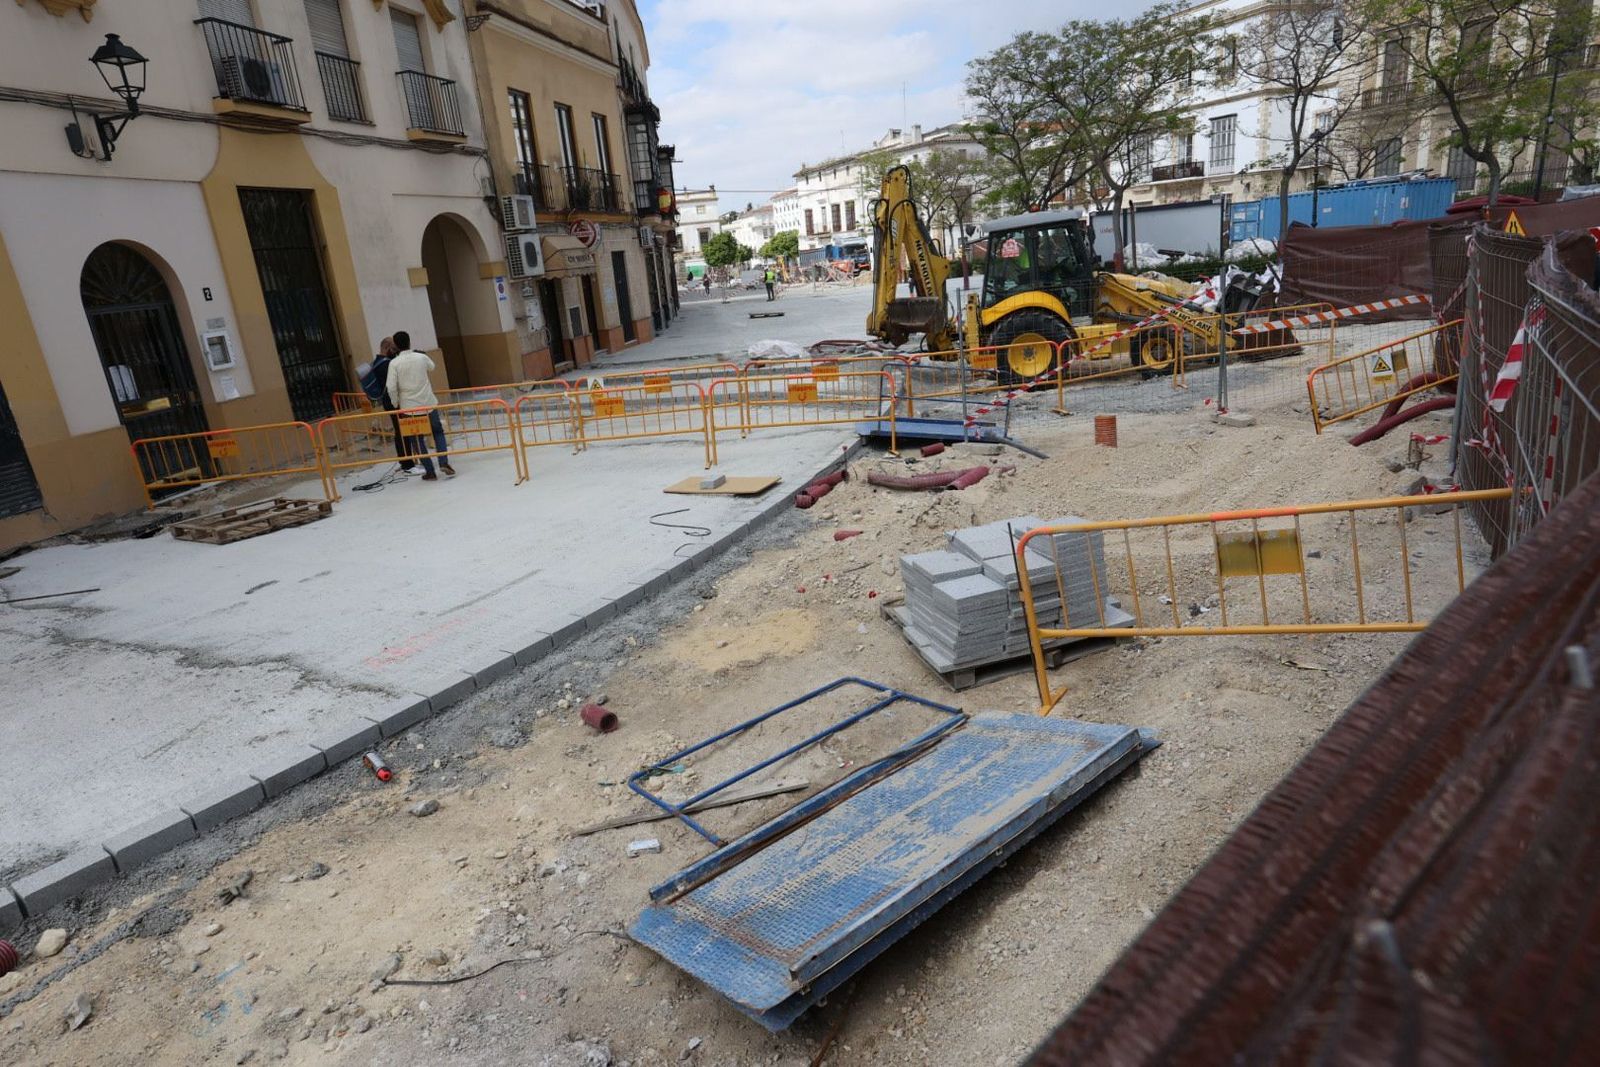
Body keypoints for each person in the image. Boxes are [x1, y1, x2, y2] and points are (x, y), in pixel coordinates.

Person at [385, 330, 455, 481]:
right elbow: (432, 367)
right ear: (409, 341)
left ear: (396, 346)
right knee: (438, 432)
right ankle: (444, 462)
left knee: (416, 439)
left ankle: (430, 471)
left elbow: (391, 387)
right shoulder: (421, 357)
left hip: (409, 408)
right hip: (428, 403)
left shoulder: (394, 363)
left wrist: (396, 403)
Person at [362, 337, 414, 472]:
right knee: (403, 432)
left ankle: (405, 462)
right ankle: (408, 464)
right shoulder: (386, 365)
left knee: (400, 431)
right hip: (394, 402)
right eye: (394, 349)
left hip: (389, 402)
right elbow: (394, 385)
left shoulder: (376, 362)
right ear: (386, 348)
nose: (396, 352)